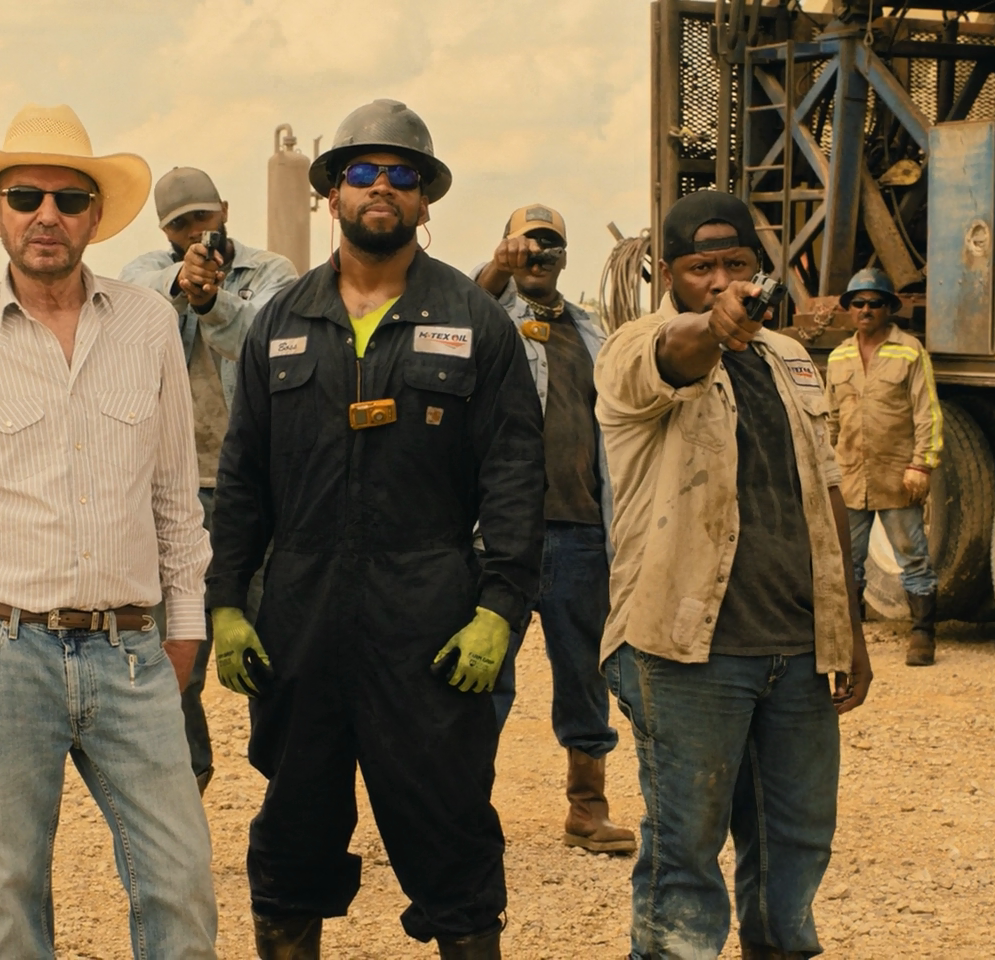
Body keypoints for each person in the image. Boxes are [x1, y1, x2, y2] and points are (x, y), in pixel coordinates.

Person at [209, 99, 544, 959]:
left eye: (403, 174)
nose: (381, 186)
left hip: (428, 618)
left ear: (426, 200)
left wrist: (499, 610)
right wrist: (227, 604)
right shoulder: (282, 322)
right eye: (362, 171)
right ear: (332, 193)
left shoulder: (475, 320)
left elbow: (515, 478)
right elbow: (242, 477)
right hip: (302, 615)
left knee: (453, 836)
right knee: (292, 836)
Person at [0, 103, 218, 959]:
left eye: (69, 199)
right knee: (9, 891)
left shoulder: (149, 325)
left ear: (95, 217)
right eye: (25, 196)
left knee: (180, 878)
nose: (47, 215)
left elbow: (176, 498)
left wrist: (184, 628)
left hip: (131, 651)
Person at [595, 189, 873, 959]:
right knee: (684, 857)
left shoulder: (789, 358)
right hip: (686, 651)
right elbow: (676, 352)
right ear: (669, 274)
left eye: (737, 264)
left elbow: (827, 490)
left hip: (797, 649)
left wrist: (849, 632)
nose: (722, 282)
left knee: (795, 844)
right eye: (700, 268)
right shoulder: (634, 347)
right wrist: (714, 326)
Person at [120, 166, 297, 793]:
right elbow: (128, 319)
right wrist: (181, 284)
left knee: (276, 642)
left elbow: (273, 343)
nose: (197, 232)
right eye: (182, 224)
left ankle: (287, 782)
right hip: (171, 496)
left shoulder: (271, 272)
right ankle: (183, 783)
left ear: (224, 209)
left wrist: (211, 301)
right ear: (163, 230)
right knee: (173, 652)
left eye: (203, 217)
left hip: (258, 491)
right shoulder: (145, 275)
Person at [472, 203, 634, 856]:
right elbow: (464, 311)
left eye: (549, 246)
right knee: (483, 673)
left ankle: (587, 809)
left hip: (579, 532)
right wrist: (496, 270)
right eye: (525, 245)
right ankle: (464, 811)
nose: (537, 256)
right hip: (500, 534)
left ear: (565, 257)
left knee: (584, 674)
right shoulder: (489, 321)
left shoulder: (591, 334)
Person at [827, 268, 941, 667]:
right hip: (850, 476)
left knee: (913, 557)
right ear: (849, 309)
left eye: (875, 303)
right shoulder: (839, 357)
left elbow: (927, 412)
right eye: (858, 302)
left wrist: (922, 465)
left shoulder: (909, 351)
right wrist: (825, 469)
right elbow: (830, 421)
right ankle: (850, 639)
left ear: (888, 308)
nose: (866, 309)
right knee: (846, 562)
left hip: (896, 476)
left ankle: (922, 636)